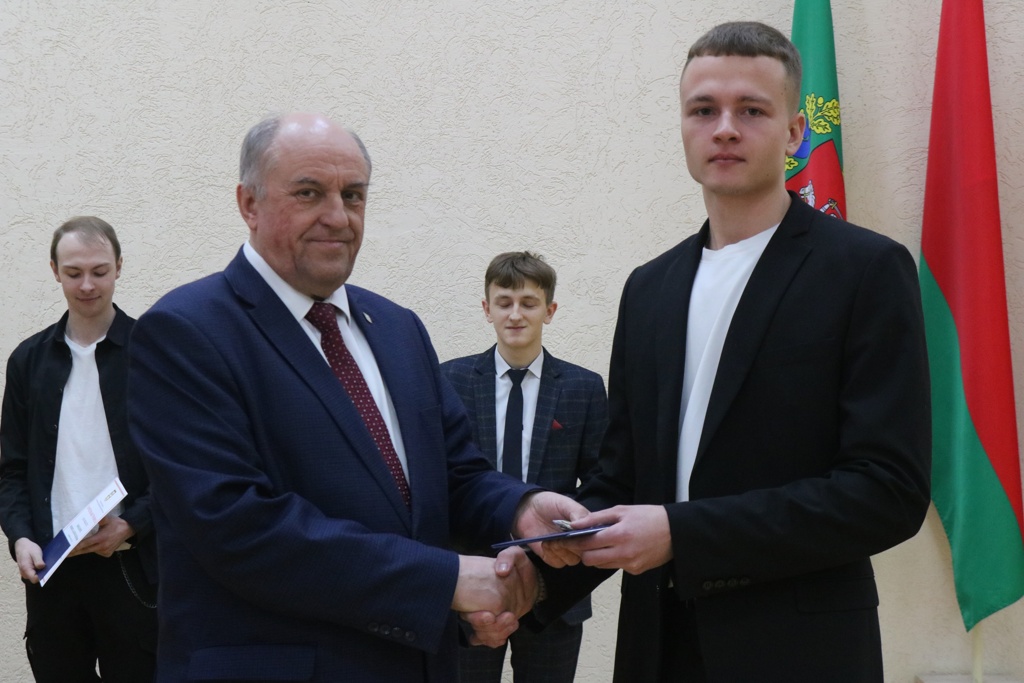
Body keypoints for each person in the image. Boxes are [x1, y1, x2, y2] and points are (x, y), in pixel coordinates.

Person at [529, 21, 932, 683]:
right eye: (703, 110)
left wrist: (683, 534)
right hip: (657, 646)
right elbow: (624, 480)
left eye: (751, 110)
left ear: (795, 133)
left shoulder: (865, 270)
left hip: (800, 654)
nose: (724, 129)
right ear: (682, 127)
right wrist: (532, 576)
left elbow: (887, 492)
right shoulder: (649, 287)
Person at [126, 112, 587, 683]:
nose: (338, 216)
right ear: (248, 203)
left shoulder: (397, 327)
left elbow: (454, 473)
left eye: (353, 195)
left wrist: (519, 508)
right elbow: (238, 528)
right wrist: (446, 582)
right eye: (308, 193)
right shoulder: (185, 332)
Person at [0, 217, 158, 682]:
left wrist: (133, 522)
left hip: (131, 562)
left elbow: (181, 467)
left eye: (99, 271)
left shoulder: (154, 353)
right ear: (55, 271)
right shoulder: (27, 360)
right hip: (52, 568)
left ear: (119, 267)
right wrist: (20, 537)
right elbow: (12, 470)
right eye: (73, 273)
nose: (87, 285)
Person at [441, 251, 608, 683]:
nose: (515, 314)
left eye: (529, 303)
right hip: (471, 585)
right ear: (487, 309)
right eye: (504, 302)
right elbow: (441, 478)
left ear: (549, 310)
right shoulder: (450, 381)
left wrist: (562, 554)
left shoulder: (584, 388)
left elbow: (600, 484)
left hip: (554, 590)